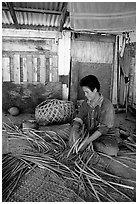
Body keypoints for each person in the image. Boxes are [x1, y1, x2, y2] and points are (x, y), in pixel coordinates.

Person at [69, 75, 120, 156]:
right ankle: (88, 142)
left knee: (112, 151)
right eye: (84, 92)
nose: (85, 95)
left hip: (105, 136)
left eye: (87, 92)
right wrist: (75, 128)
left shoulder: (107, 105)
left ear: (95, 90)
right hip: (89, 131)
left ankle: (91, 143)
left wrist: (86, 143)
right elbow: (80, 117)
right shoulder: (86, 103)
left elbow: (102, 130)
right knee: (68, 131)